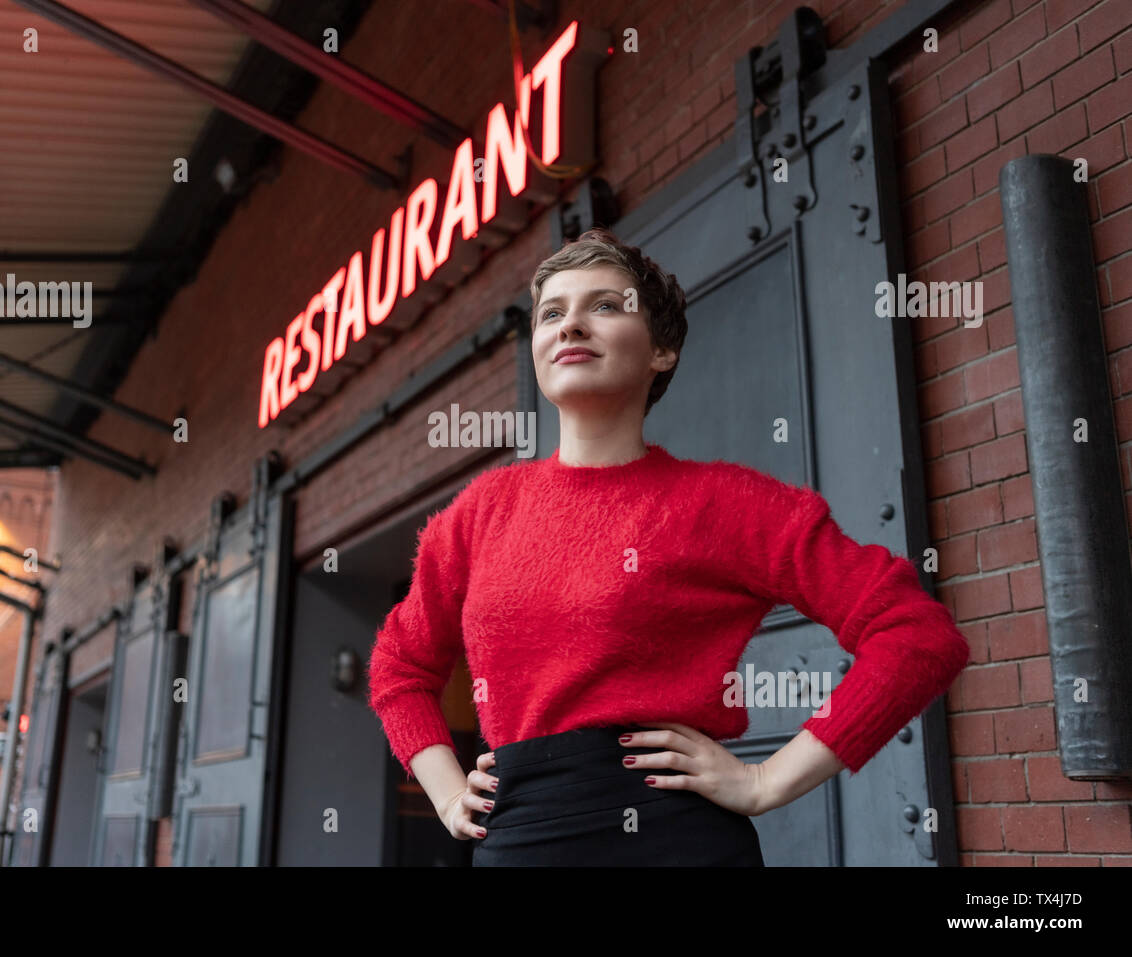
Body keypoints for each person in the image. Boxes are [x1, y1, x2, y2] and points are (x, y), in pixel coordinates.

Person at [366, 227, 970, 866]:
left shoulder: (725, 503)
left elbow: (916, 635)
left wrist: (768, 780)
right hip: (519, 836)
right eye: (552, 312)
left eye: (604, 305)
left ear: (662, 351)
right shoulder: (481, 513)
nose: (570, 325)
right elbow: (399, 668)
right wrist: (446, 792)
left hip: (674, 837)